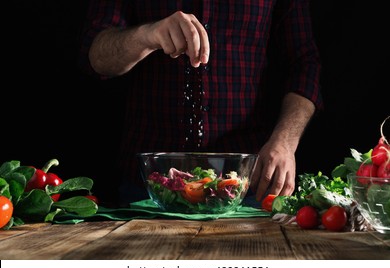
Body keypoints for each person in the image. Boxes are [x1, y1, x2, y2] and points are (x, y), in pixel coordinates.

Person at [79, 0, 323, 207]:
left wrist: (285, 141)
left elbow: (303, 63)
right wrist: (147, 35)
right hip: (149, 190)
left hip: (247, 185)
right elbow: (96, 56)